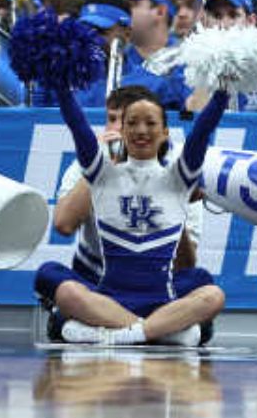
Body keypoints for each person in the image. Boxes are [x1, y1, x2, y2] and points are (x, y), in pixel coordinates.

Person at [46, 79, 229, 346]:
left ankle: (118, 334)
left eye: (151, 123)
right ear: (121, 130)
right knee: (67, 293)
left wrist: (223, 94)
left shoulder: (178, 178)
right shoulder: (103, 175)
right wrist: (62, 88)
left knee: (214, 296)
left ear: (165, 131)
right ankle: (159, 331)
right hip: (109, 297)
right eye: (131, 123)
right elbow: (78, 128)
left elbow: (202, 133)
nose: (141, 130)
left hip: (161, 299)